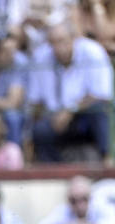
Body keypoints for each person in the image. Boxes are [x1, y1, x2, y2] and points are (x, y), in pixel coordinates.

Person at [28, 16, 114, 162]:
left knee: (99, 111)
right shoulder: (41, 57)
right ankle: (51, 171)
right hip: (54, 117)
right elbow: (36, 101)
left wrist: (70, 110)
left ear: (74, 39)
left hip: (84, 114)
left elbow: (102, 95)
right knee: (39, 130)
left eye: (62, 41)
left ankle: (107, 161)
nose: (57, 48)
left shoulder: (93, 52)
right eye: (52, 43)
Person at [39, 173, 115, 224]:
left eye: (84, 199)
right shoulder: (64, 210)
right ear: (68, 200)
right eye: (74, 201)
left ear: (91, 197)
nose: (80, 205)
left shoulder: (99, 206)